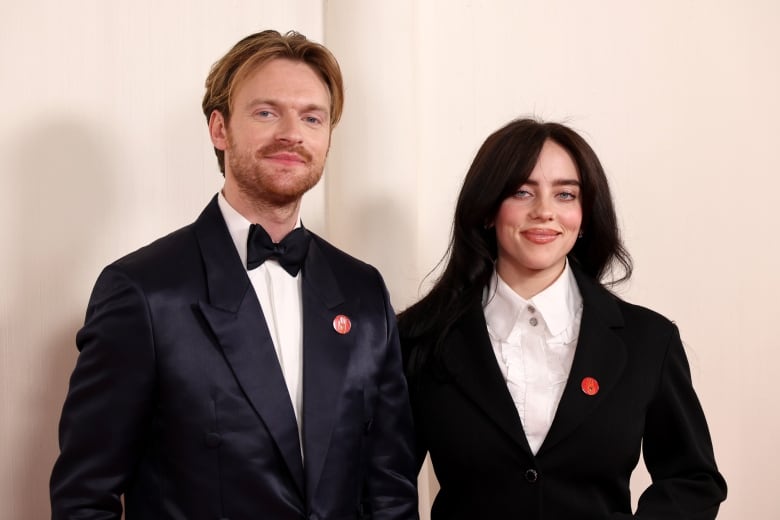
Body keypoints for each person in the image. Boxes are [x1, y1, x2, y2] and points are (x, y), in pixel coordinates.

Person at [50, 30, 418, 520]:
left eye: (312, 117)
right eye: (267, 113)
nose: (292, 133)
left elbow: (390, 490)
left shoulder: (363, 290)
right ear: (219, 129)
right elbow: (83, 498)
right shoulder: (142, 291)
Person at [398, 118, 727, 519]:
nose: (544, 212)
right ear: (488, 210)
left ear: (585, 216)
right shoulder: (419, 337)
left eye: (565, 195)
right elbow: (384, 485)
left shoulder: (649, 341)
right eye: (522, 192)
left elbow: (693, 480)